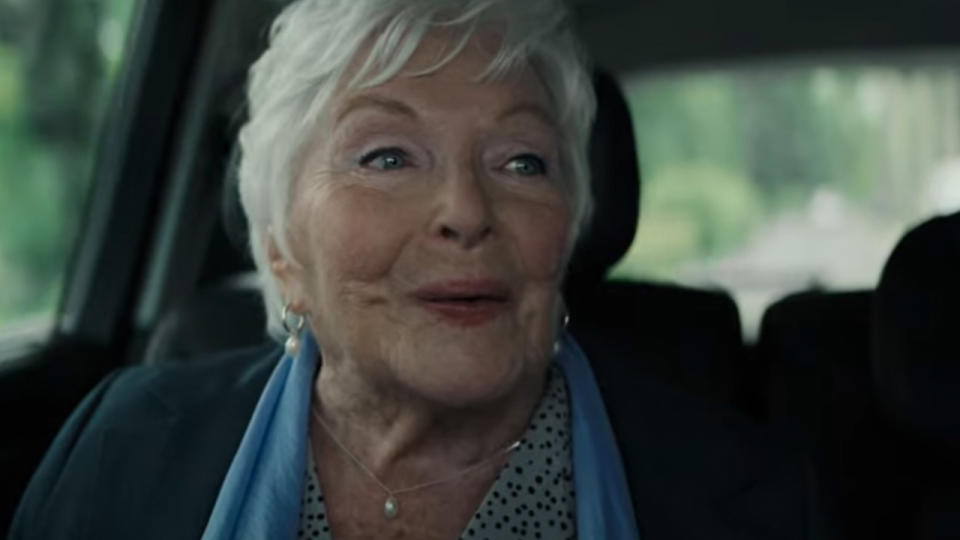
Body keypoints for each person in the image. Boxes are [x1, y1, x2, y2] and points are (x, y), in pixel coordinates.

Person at [9, 0, 827, 539]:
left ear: (568, 230)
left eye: (521, 163)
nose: (467, 211)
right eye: (388, 154)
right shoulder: (120, 447)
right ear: (280, 250)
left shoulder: (752, 500)